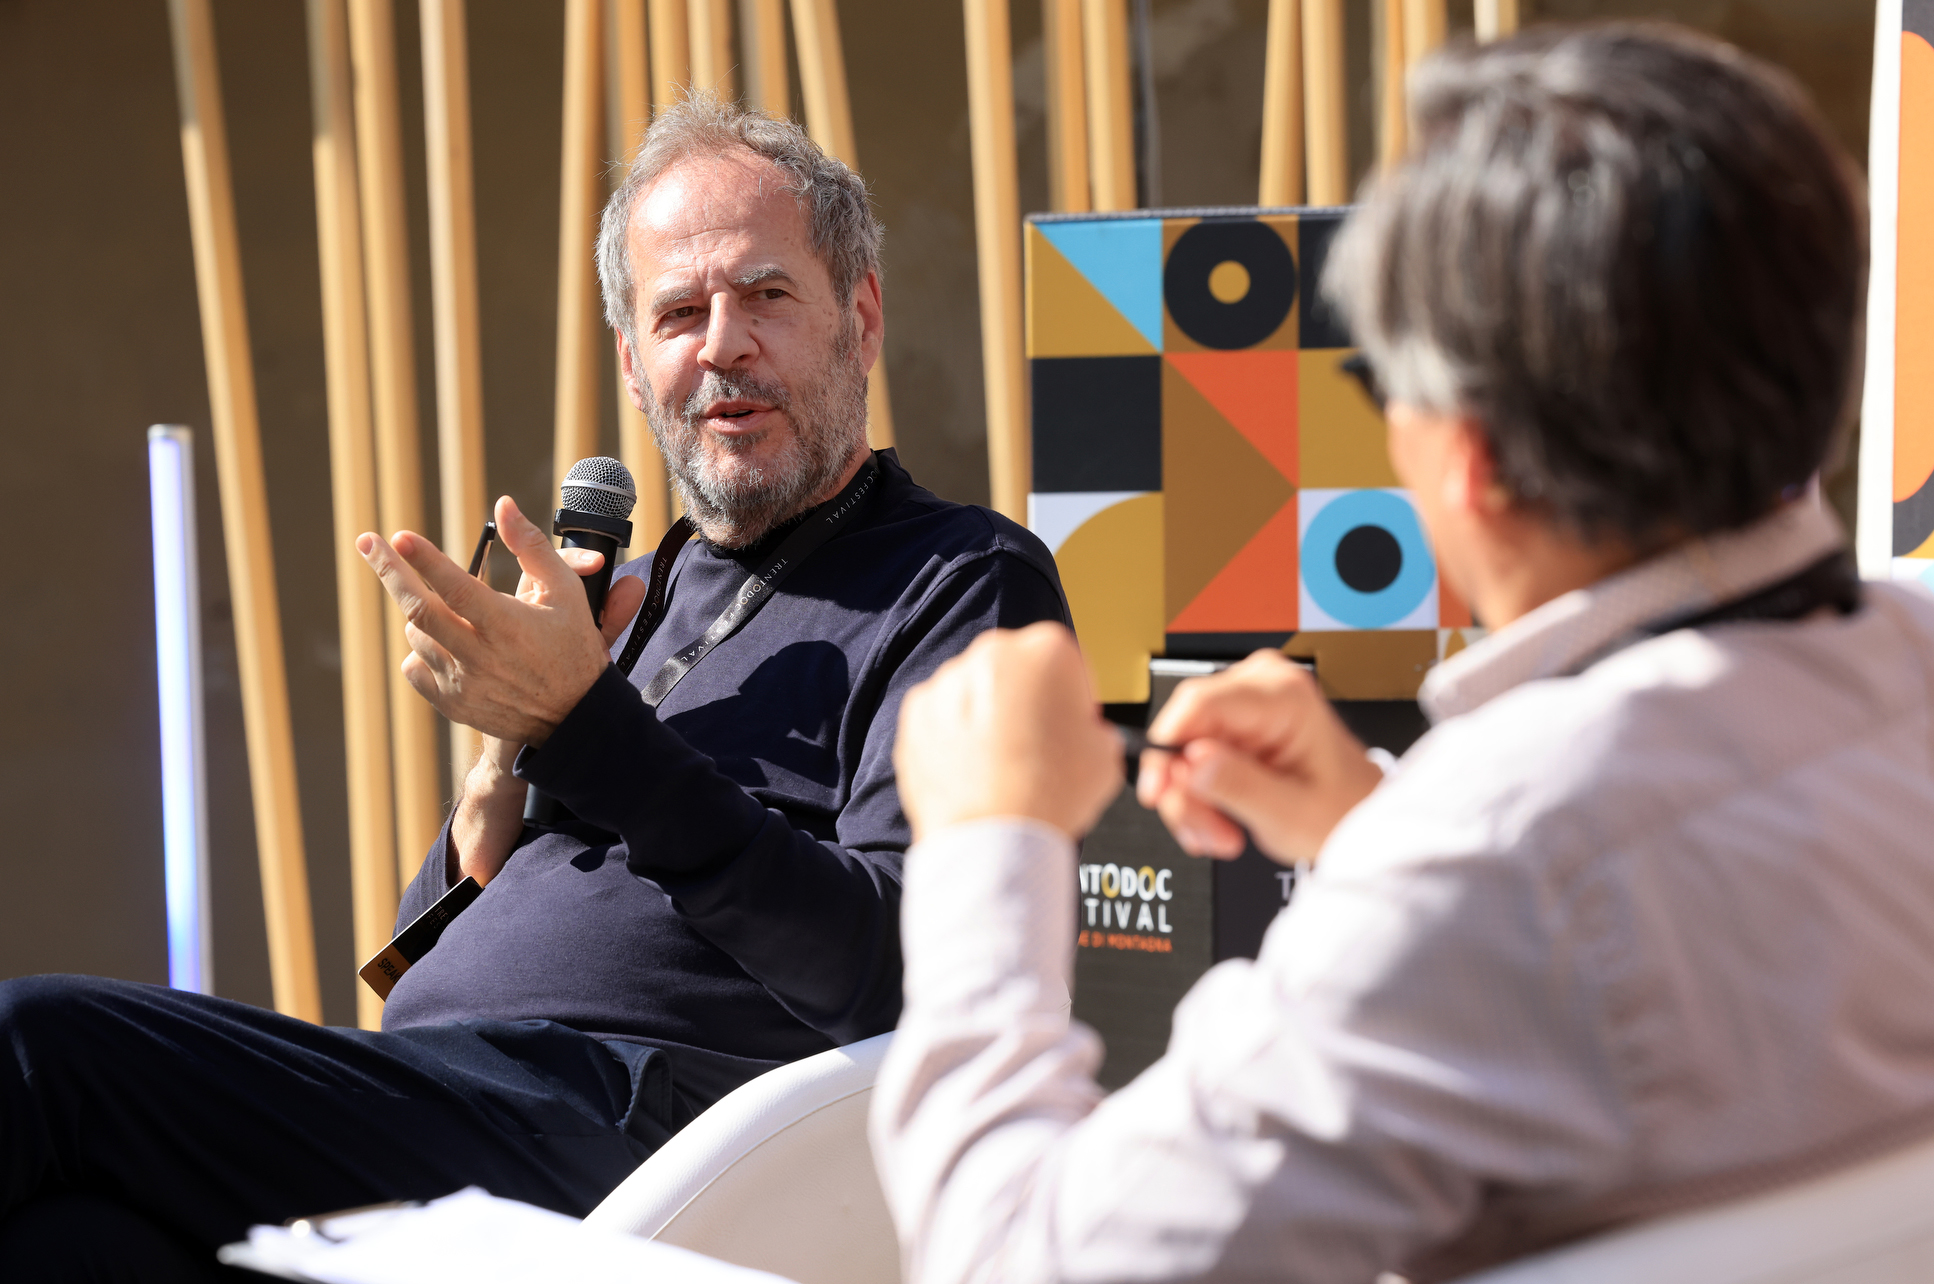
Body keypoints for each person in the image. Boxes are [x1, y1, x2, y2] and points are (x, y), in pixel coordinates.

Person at [872, 24, 1934, 1284]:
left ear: (1469, 457)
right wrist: (1372, 825)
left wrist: (987, 839)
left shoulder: (1491, 862)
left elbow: (1015, 1262)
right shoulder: (1903, 662)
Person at [0, 97, 1066, 1278]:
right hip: (449, 1089)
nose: (722, 344)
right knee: (63, 1242)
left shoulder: (958, 579)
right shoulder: (625, 596)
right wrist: (494, 777)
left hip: (652, 1135)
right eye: (678, 313)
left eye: (765, 294)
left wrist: (585, 727)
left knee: (35, 1047)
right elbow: (415, 979)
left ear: (858, 320)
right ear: (633, 365)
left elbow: (908, 964)